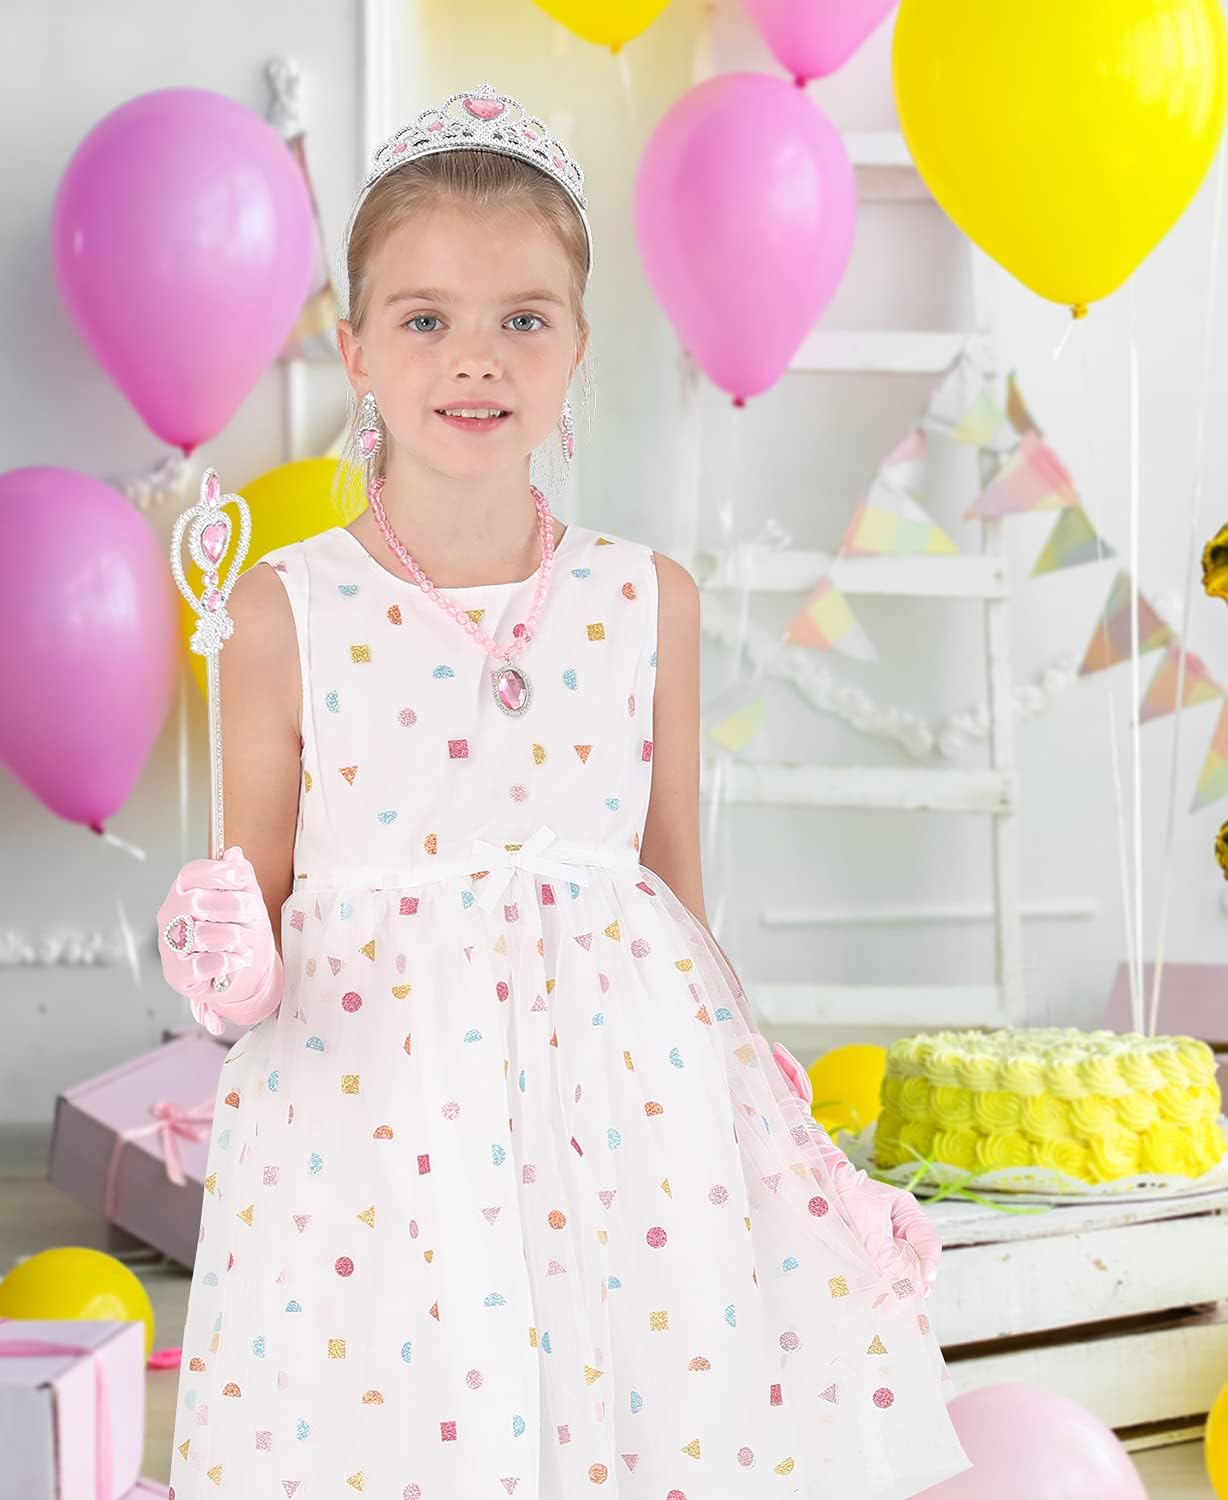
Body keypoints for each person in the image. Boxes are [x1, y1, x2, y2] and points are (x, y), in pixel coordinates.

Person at [156, 81, 971, 1500]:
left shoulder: (645, 598)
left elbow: (677, 903)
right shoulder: (286, 612)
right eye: (425, 319)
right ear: (356, 349)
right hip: (376, 1121)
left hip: (623, 1125)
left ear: (579, 346)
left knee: (633, 1420)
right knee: (407, 1425)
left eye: (524, 319)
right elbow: (257, 922)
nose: (476, 358)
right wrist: (217, 954)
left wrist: (772, 1131)